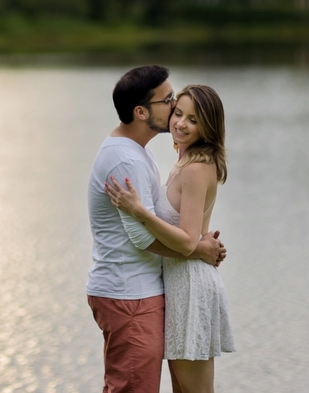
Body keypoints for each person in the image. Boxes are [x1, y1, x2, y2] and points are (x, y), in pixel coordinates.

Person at [87, 66, 226, 393]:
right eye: (170, 104)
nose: (176, 113)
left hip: (158, 288)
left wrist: (195, 245)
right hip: (130, 292)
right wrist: (198, 248)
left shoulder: (142, 154)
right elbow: (141, 236)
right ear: (141, 111)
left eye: (190, 115)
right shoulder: (128, 159)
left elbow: (176, 222)